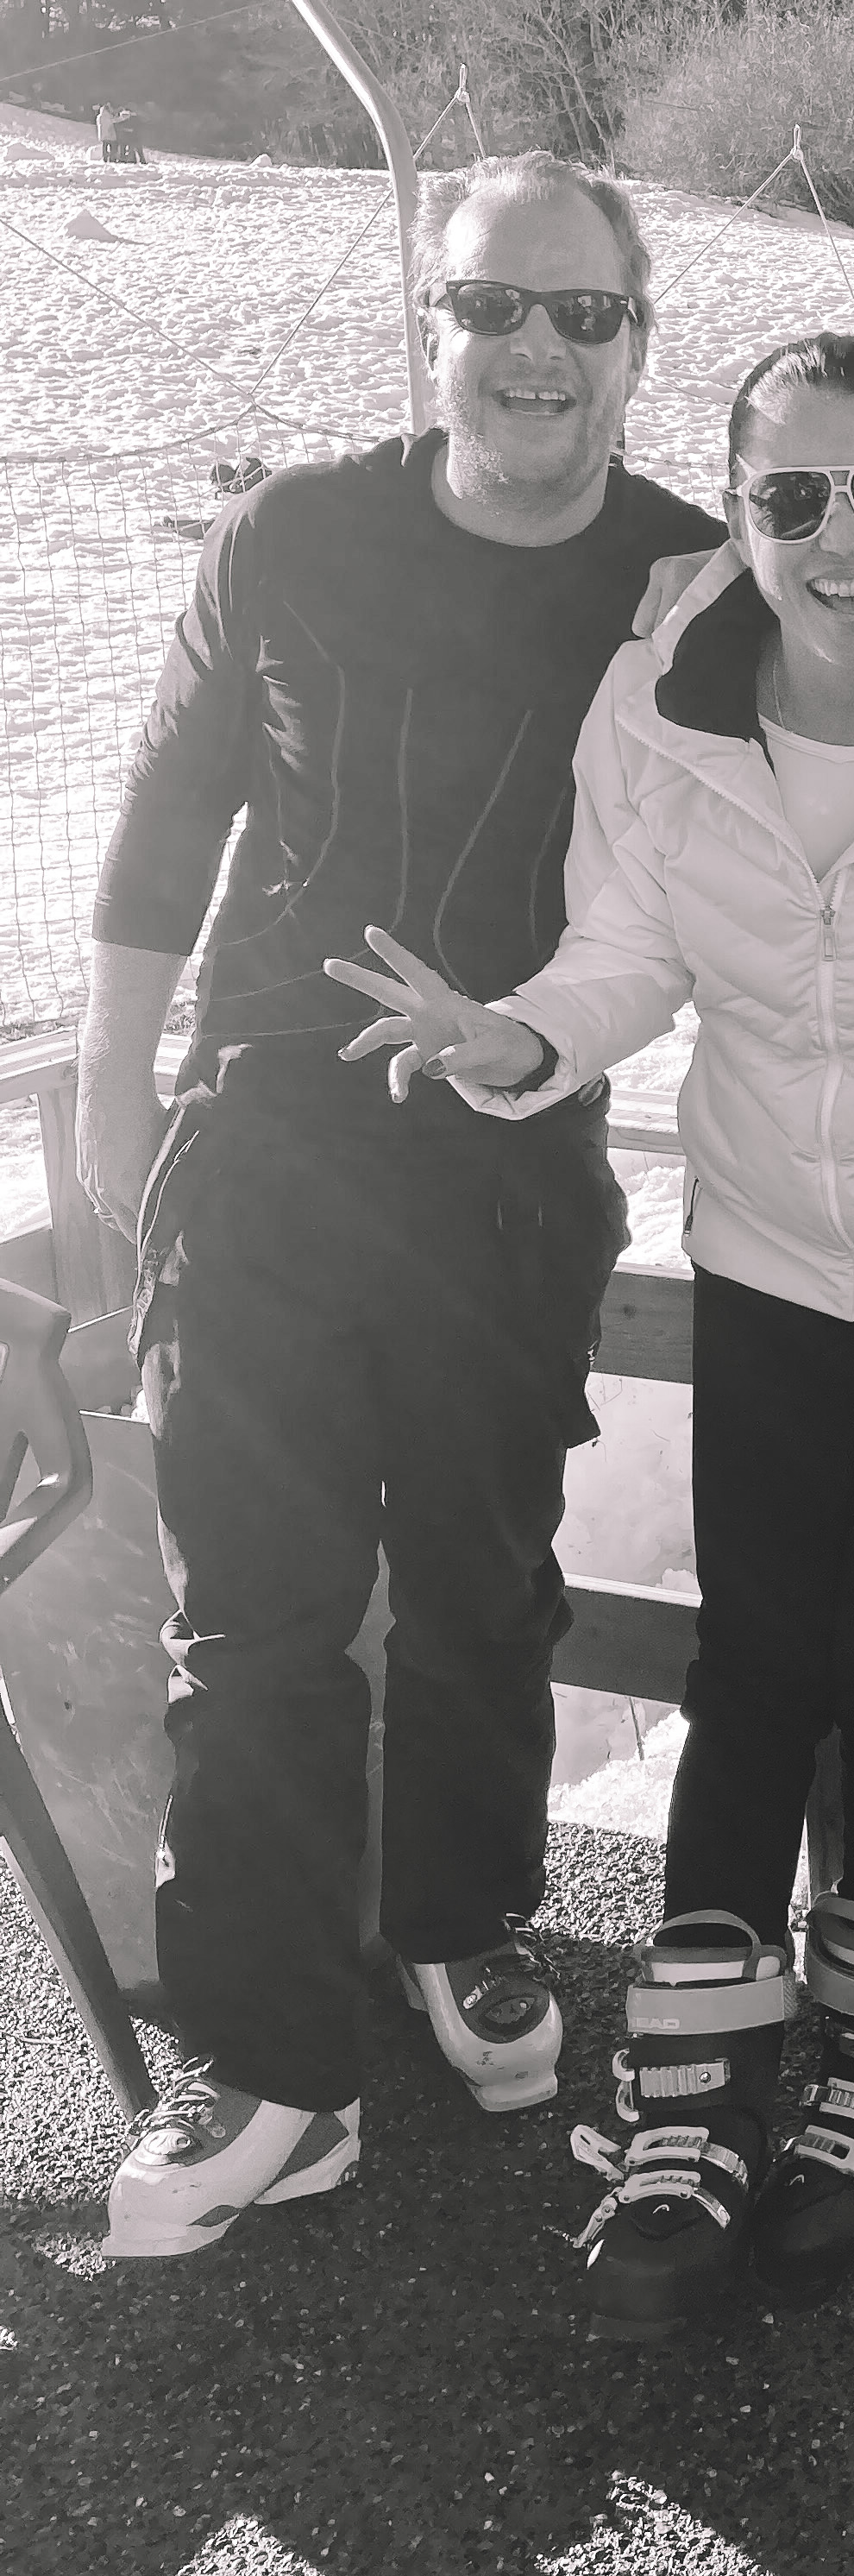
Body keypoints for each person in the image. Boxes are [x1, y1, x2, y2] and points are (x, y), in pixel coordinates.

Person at [330, 333, 854, 2335]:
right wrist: (523, 1037)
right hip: (772, 1236)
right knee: (758, 1648)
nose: (845, 538)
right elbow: (626, 949)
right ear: (741, 508)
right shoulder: (662, 696)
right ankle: (689, 2092)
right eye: (793, 495)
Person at [77, 152, 718, 2258]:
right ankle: (271, 2071)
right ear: (430, 323)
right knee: (253, 1614)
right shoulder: (295, 535)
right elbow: (163, 829)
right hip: (267, 1138)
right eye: (492, 306)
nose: (536, 349)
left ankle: (459, 1922)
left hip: (512, 1152)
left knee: (479, 1585)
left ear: (636, 340)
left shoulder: (683, 582)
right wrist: (110, 1113)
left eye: (581, 314)